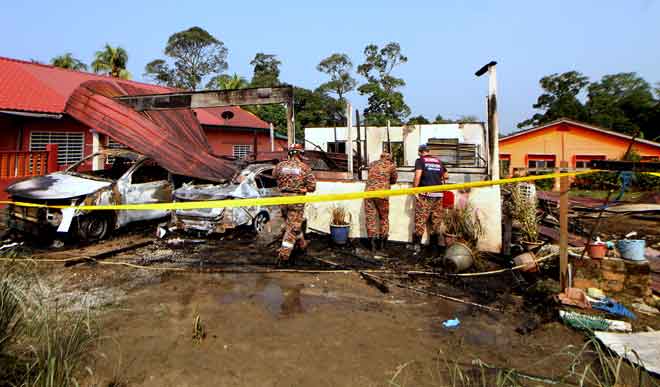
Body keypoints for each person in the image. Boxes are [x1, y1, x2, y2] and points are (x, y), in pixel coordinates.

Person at [273, 143, 316, 263]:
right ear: (299, 153)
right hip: (296, 200)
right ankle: (284, 254)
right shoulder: (304, 167)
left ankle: (302, 245)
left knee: (291, 223)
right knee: (293, 227)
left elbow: (274, 176)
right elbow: (312, 187)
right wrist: (303, 189)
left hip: (282, 199)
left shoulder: (280, 166)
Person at [412, 144, 449, 254]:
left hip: (425, 195)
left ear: (420, 152)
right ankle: (434, 249)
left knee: (420, 220)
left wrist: (414, 189)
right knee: (435, 222)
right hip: (438, 195)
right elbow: (446, 176)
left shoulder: (420, 161)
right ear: (428, 151)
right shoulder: (438, 161)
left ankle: (417, 247)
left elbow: (418, 175)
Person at [364, 152, 398, 252]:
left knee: (370, 218)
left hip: (368, 193)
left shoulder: (372, 164)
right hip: (382, 194)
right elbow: (394, 180)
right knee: (384, 218)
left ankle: (372, 246)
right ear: (389, 157)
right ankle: (382, 245)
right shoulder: (391, 165)